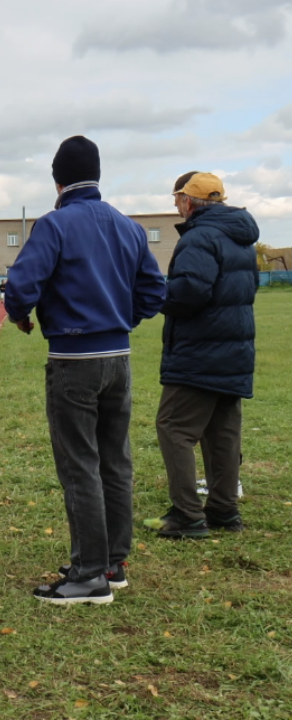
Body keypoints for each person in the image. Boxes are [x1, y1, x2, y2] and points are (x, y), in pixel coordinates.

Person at [5, 136, 166, 605]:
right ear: (98, 174)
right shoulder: (129, 227)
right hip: (118, 359)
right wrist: (120, 321)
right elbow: (154, 293)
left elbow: (21, 285)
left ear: (57, 180)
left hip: (74, 359)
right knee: (115, 460)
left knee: (79, 464)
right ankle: (113, 562)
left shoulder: (54, 225)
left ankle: (89, 575)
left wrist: (21, 314)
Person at [146, 172, 258, 538]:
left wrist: (156, 296)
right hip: (234, 347)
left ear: (189, 201)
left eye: (177, 198)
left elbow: (189, 292)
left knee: (174, 427)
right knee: (221, 431)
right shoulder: (240, 238)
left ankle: (187, 515)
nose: (175, 205)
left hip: (200, 350)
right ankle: (224, 510)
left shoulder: (199, 236)